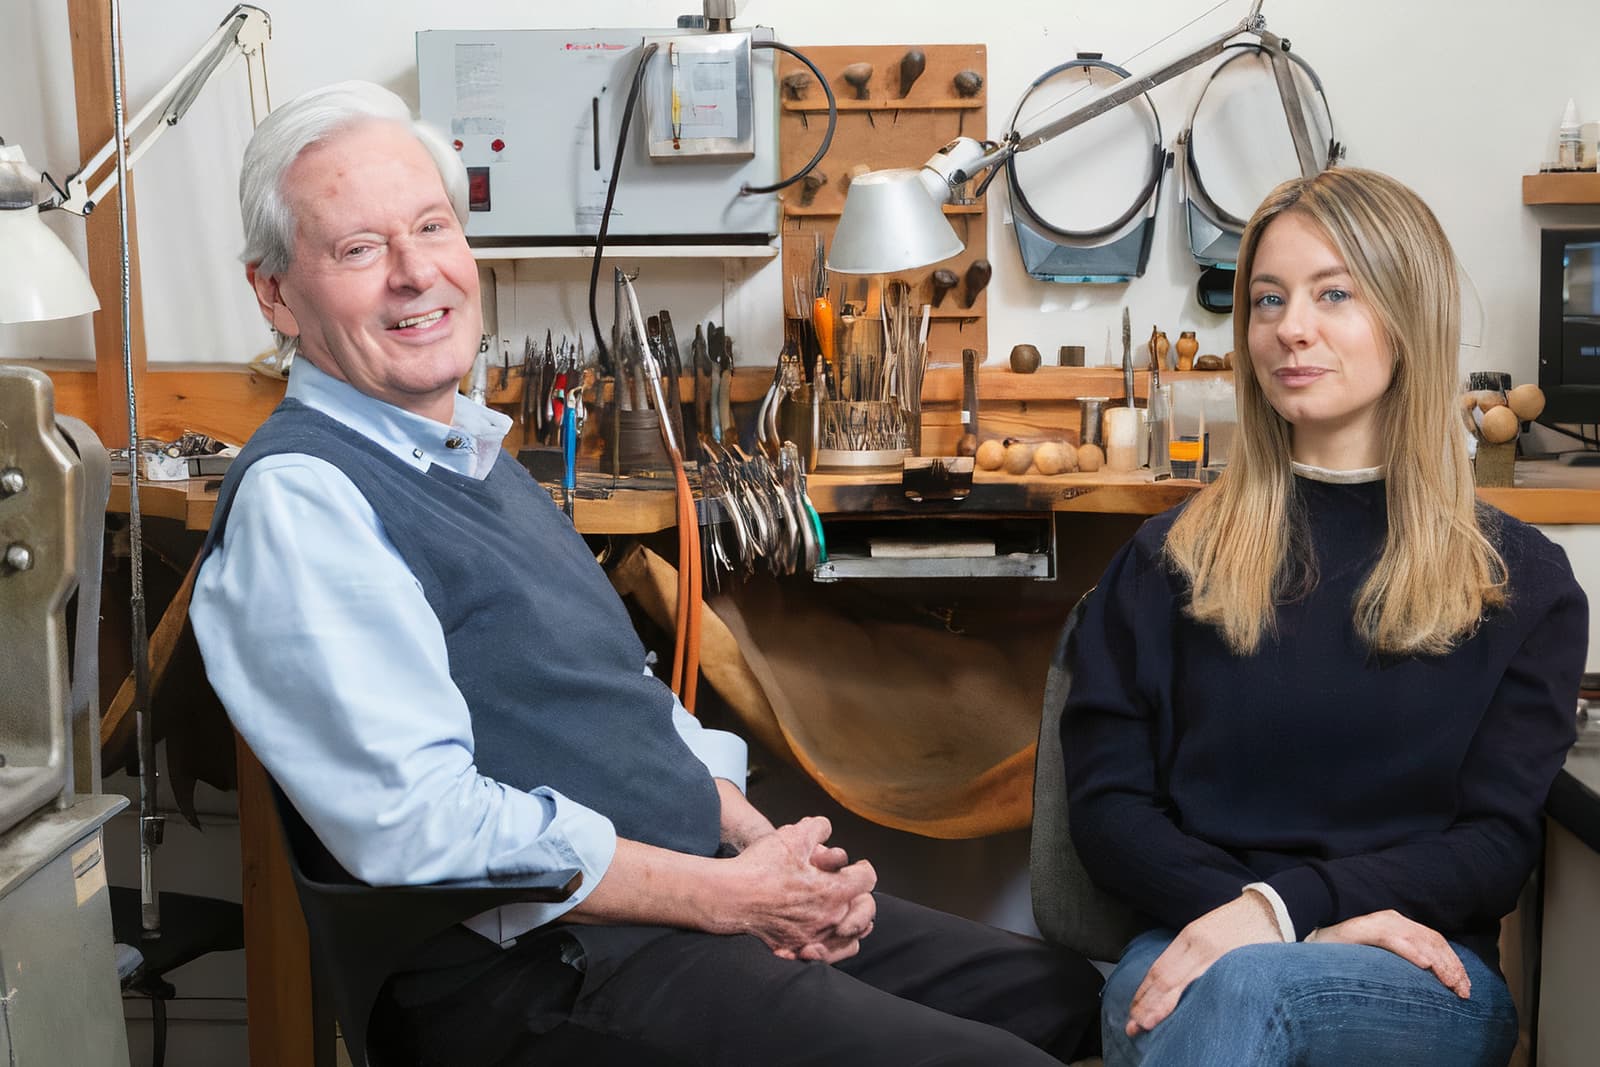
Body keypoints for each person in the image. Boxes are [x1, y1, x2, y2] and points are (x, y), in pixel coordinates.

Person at [191, 81, 1102, 1066]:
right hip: (533, 970)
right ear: (276, 292)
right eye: (359, 249)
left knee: (1058, 997)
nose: (417, 274)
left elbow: (623, 706)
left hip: (676, 898)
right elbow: (420, 824)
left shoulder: (475, 454)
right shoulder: (306, 500)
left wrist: (758, 847)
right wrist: (727, 897)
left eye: (432, 227)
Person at [1061, 167, 1588, 1066]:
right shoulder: (1166, 561)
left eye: (1332, 293)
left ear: (1407, 318)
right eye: (1268, 300)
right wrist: (1263, 917)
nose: (1289, 328)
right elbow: (1110, 809)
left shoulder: (1518, 582)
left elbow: (1495, 846)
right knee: (1229, 988)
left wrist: (1289, 909)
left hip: (1424, 968)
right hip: (1192, 940)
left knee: (1243, 990)